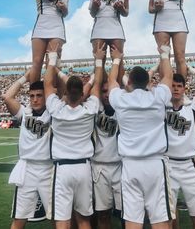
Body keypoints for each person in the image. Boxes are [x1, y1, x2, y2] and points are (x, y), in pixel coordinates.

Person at [108, 45, 175, 229]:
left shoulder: (121, 99)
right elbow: (168, 77)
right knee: (160, 219)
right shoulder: (158, 96)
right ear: (148, 83)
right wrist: (163, 53)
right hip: (155, 164)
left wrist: (116, 58)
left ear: (128, 82)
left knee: (133, 220)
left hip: (130, 166)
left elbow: (112, 80)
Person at [44, 45, 106, 229]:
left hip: (62, 169)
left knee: (63, 220)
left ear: (65, 92)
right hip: (84, 168)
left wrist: (53, 59)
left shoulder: (56, 109)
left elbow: (48, 83)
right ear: (82, 94)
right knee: (83, 219)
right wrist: (98, 60)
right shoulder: (90, 109)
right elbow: (95, 85)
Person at [2, 70, 53, 229]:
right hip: (27, 170)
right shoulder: (25, 113)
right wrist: (26, 76)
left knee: (58, 219)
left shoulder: (54, 113)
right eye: (32, 96)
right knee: (19, 219)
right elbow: (7, 97)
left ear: (46, 96)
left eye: (39, 95)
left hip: (49, 170)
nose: (35, 99)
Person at [166, 66, 195, 229]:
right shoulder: (161, 107)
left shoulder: (192, 108)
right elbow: (140, 87)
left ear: (185, 88)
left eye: (179, 86)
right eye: (173, 85)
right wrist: (159, 65)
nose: (176, 89)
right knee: (168, 220)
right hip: (168, 166)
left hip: (189, 166)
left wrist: (191, 69)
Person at [31, 0, 71, 84]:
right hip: (41, 24)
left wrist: (62, 7)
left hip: (57, 26)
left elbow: (65, 13)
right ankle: (34, 92)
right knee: (37, 62)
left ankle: (51, 94)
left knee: (52, 63)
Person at [91, 77, 123, 229]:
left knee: (128, 213)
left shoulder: (123, 109)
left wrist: (118, 60)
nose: (106, 94)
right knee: (103, 213)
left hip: (121, 166)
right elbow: (95, 86)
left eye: (109, 91)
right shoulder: (95, 109)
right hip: (99, 168)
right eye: (103, 91)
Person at [150, 0, 188, 78]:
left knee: (180, 57)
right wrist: (157, 7)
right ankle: (165, 89)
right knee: (164, 57)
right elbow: (150, 8)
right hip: (161, 22)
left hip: (178, 21)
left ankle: (181, 90)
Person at [89, 0, 128, 81]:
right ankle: (100, 92)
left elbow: (126, 13)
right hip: (99, 28)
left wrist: (120, 8)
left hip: (115, 27)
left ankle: (120, 90)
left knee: (118, 62)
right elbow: (92, 14)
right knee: (98, 62)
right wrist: (94, 6)